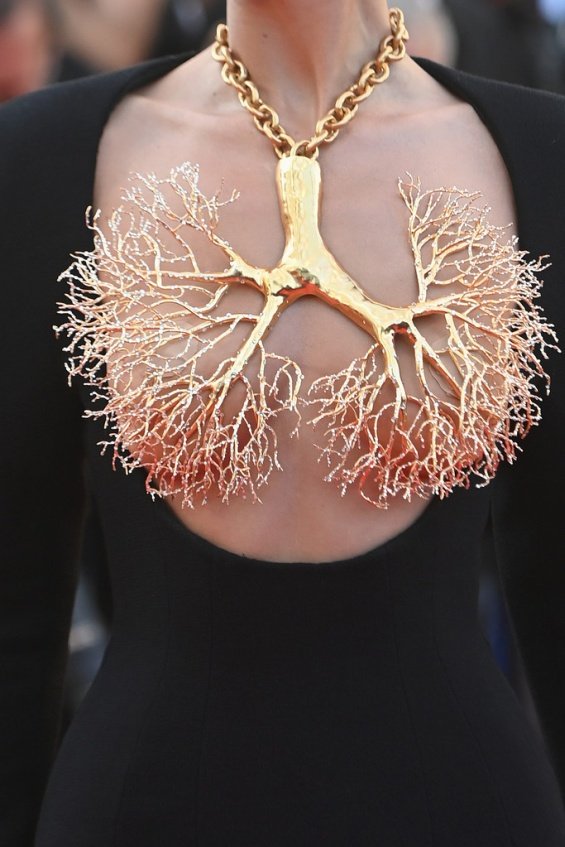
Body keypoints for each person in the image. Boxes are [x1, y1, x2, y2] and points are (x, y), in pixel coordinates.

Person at [1, 2, 565, 845]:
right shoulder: (46, 154)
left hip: (461, 802)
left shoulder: (539, 156)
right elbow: (16, 603)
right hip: (141, 807)